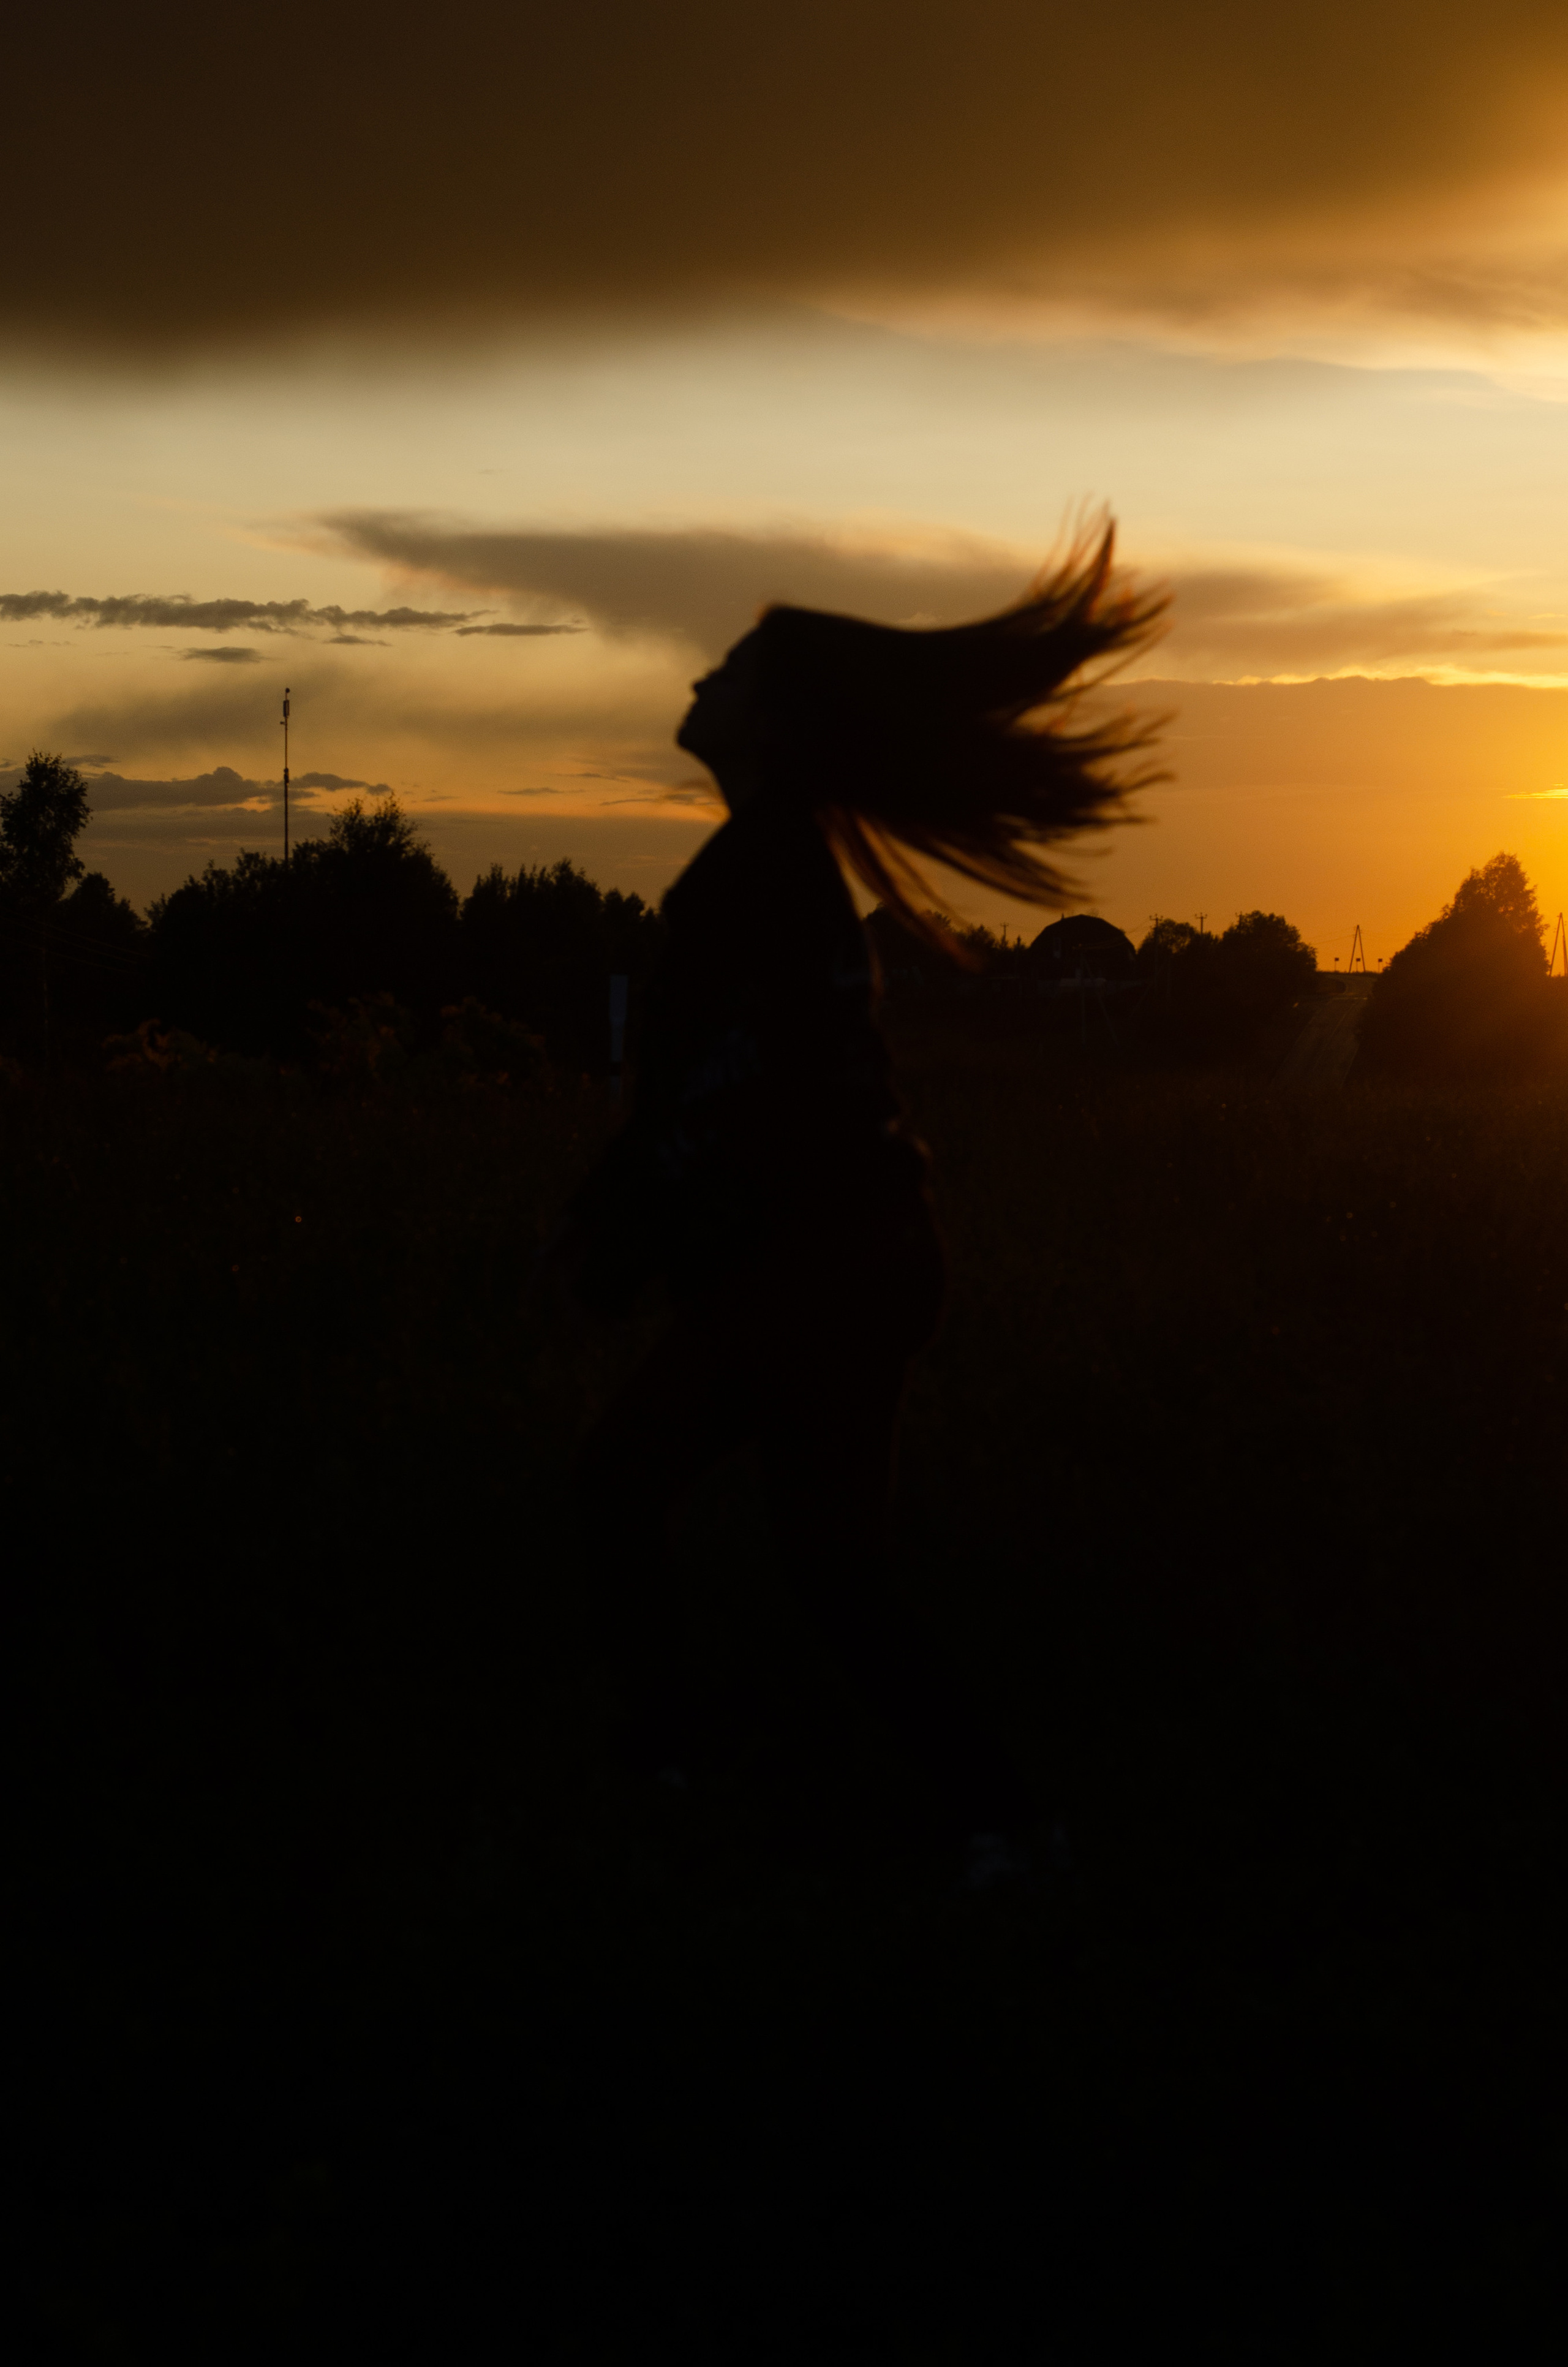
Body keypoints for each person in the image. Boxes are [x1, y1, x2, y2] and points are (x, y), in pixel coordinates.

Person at [551, 521, 1165, 1870]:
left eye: (729, 669)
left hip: (813, 1271)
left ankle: (675, 1776)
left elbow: (730, 1087)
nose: (701, 677)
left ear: (771, 725)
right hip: (854, 1259)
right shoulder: (776, 866)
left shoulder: (759, 874)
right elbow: (740, 1086)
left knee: (626, 1487)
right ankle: (997, 1820)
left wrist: (619, 1223)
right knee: (827, 1566)